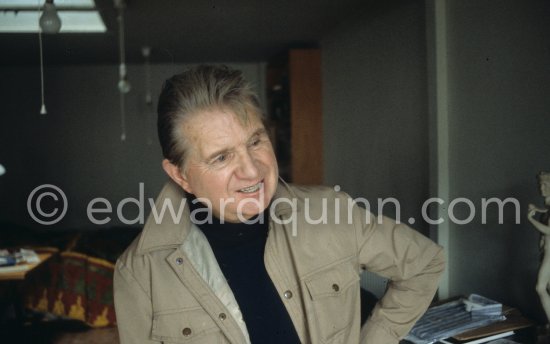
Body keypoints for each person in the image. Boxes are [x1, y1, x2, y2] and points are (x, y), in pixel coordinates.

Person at [113, 65, 445, 344]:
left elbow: (424, 263)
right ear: (180, 174)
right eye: (222, 157)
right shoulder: (140, 273)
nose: (252, 170)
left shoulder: (331, 211)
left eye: (255, 141)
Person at [528, 171, 550, 323]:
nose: (541, 188)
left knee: (540, 287)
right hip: (546, 251)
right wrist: (537, 209)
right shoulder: (548, 205)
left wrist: (530, 219)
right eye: (540, 184)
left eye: (545, 184)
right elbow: (547, 212)